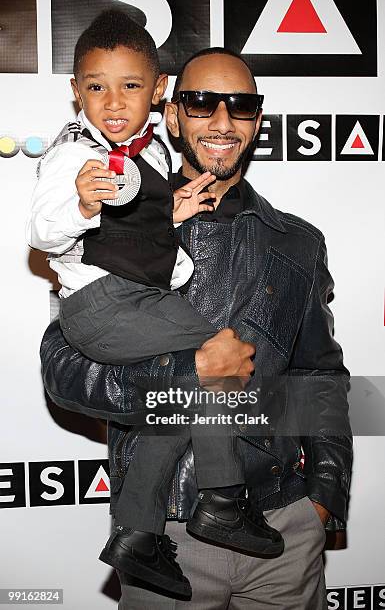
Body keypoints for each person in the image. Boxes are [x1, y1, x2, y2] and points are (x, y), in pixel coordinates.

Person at [39, 47, 352, 609]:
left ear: (258, 119)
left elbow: (319, 376)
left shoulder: (298, 242)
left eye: (242, 105)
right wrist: (190, 372)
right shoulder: (112, 224)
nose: (222, 121)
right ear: (173, 114)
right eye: (202, 102)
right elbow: (64, 371)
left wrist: (324, 497)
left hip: (283, 527)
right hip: (166, 533)